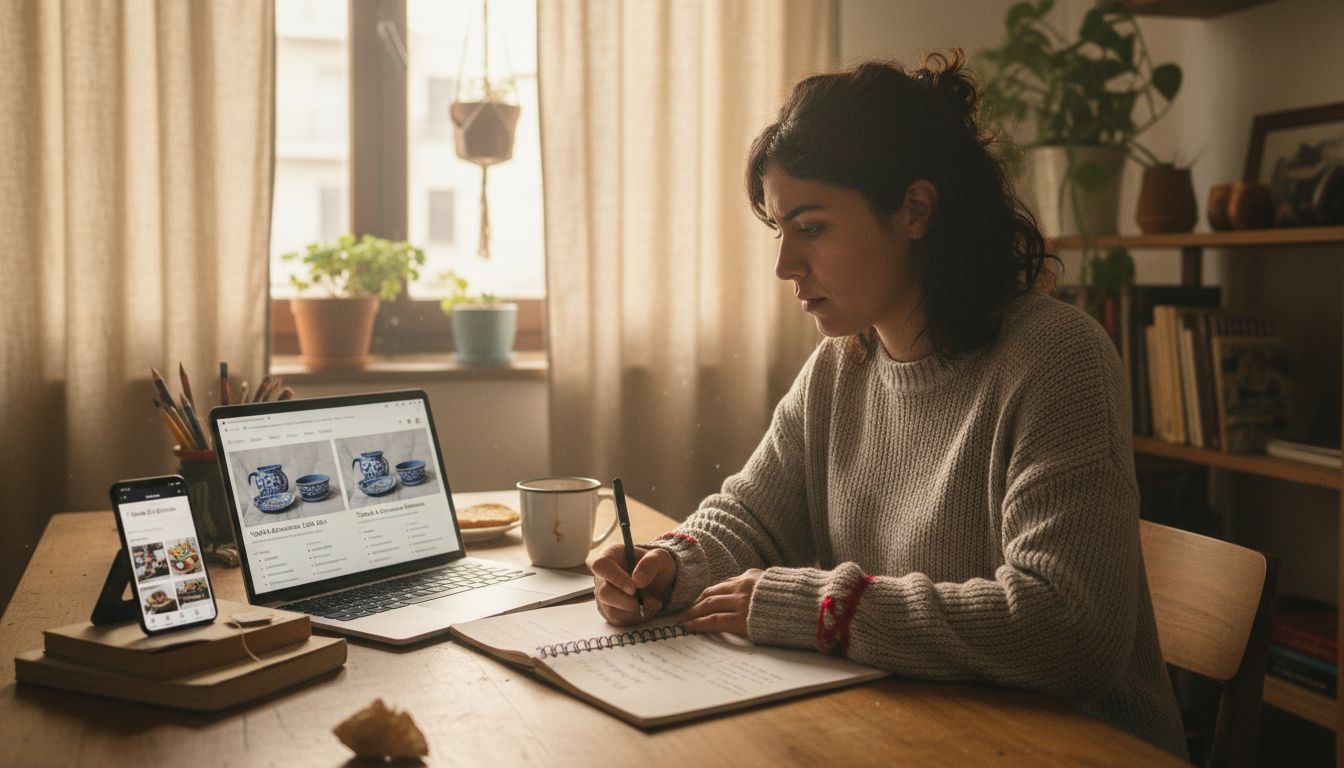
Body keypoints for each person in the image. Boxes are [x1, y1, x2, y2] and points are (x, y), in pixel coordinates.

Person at [589, 51, 1187, 758]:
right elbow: (751, 514)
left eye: (810, 227)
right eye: (780, 230)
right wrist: (672, 564)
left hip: (1074, 748)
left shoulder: (1058, 358)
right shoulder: (843, 366)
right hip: (919, 731)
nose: (785, 265)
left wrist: (825, 610)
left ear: (915, 210)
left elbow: (1068, 629)